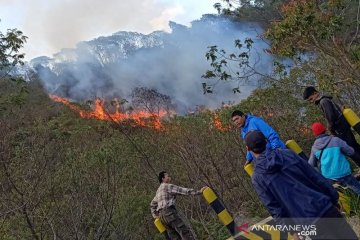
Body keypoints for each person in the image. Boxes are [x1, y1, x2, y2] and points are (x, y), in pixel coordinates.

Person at [245, 130, 358, 239]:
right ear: (266, 141)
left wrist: (292, 231)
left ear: (248, 149)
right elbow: (315, 176)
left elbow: (274, 208)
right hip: (324, 206)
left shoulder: (258, 178)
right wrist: (334, 198)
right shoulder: (287, 154)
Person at [303, 86, 360, 167]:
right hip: (343, 126)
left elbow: (330, 118)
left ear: (315, 93)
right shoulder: (326, 99)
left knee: (351, 149)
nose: (311, 101)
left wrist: (330, 130)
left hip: (340, 128)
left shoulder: (323, 101)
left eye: (311, 99)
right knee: (354, 145)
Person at [150, 171, 206, 240]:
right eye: (167, 176)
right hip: (169, 212)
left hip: (162, 217)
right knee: (185, 232)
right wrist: (199, 192)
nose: (169, 177)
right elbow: (183, 190)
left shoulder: (158, 191)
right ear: (163, 178)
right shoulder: (168, 186)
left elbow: (152, 204)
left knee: (174, 237)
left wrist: (155, 215)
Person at [309, 122, 360, 195]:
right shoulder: (335, 140)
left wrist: (320, 173)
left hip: (328, 176)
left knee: (340, 195)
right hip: (343, 172)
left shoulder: (314, 148)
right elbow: (351, 152)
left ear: (314, 134)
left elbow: (311, 164)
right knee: (357, 188)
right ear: (325, 129)